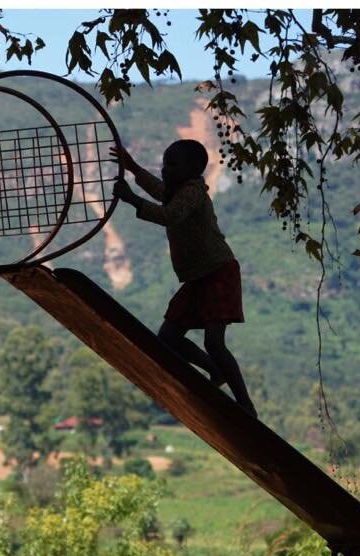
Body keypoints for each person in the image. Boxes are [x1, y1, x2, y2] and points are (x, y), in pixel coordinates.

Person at [110, 139, 258, 417]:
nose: (165, 169)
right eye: (165, 164)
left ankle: (245, 404)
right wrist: (132, 168)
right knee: (168, 337)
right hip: (199, 277)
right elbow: (160, 191)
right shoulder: (179, 190)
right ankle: (215, 371)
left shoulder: (192, 193)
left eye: (172, 164)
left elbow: (170, 215)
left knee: (214, 342)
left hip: (217, 272)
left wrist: (132, 199)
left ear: (192, 169)